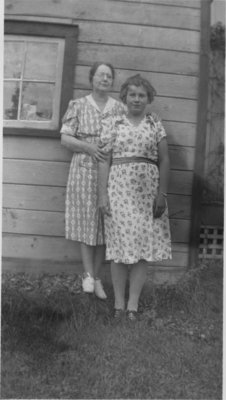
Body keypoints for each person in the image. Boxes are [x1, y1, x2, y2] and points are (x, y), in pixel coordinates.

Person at [98, 74, 172, 319]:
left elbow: (165, 160)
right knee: (119, 249)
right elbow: (104, 161)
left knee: (141, 251)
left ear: (148, 98)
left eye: (142, 95)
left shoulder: (154, 124)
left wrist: (161, 195)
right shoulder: (114, 123)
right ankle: (118, 305)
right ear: (124, 97)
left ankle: (133, 306)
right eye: (132, 95)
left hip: (147, 196)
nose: (137, 99)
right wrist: (102, 196)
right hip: (119, 192)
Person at [60, 62, 125, 299]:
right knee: (87, 221)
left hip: (112, 170)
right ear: (92, 79)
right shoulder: (77, 105)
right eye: (101, 75)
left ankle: (97, 277)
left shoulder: (120, 109)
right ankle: (87, 275)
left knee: (105, 223)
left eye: (109, 76)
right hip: (84, 168)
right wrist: (88, 146)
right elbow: (65, 139)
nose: (105, 79)